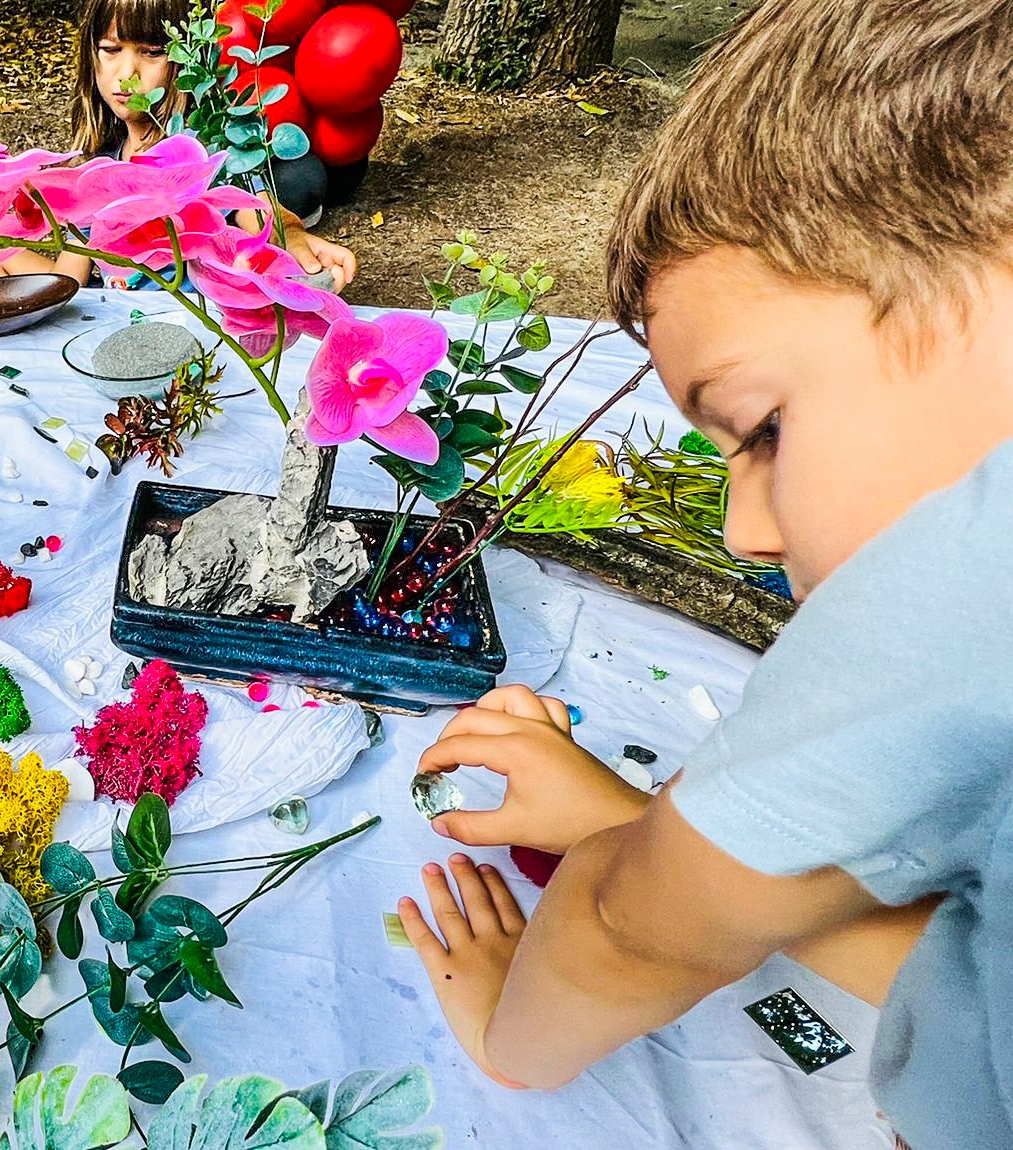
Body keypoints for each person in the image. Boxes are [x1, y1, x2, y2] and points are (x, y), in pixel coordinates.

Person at [392, 3, 1013, 1147]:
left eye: (760, 428)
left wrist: (501, 1030)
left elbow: (622, 932)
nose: (743, 532)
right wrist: (640, 823)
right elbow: (973, 968)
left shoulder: (966, 565)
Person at [0, 0, 356, 292]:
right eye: (111, 49)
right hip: (120, 328)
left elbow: (261, 214)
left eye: (151, 52)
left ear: (187, 59)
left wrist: (292, 236)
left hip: (197, 333)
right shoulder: (98, 169)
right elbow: (70, 281)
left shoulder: (209, 151)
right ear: (90, 56)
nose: (127, 74)